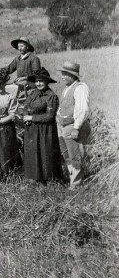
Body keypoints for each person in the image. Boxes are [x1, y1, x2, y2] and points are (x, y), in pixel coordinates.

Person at [22, 68, 64, 184]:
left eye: (41, 81)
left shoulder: (51, 96)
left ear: (47, 82)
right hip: (31, 129)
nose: (38, 83)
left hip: (45, 130)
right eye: (36, 81)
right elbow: (25, 107)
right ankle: (34, 178)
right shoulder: (32, 94)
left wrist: (32, 118)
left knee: (45, 152)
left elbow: (50, 116)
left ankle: (49, 179)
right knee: (32, 151)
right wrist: (26, 117)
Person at [56, 61, 90, 189]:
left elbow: (82, 110)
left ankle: (76, 184)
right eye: (62, 73)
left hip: (73, 126)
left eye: (65, 74)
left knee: (75, 154)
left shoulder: (80, 88)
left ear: (73, 75)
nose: (63, 76)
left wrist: (76, 128)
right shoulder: (66, 89)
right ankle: (73, 180)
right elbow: (62, 107)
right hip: (63, 126)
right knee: (66, 154)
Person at [0, 36, 41, 104]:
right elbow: (9, 69)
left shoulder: (34, 58)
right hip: (20, 87)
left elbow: (37, 74)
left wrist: (25, 78)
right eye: (18, 47)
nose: (19, 48)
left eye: (21, 46)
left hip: (31, 88)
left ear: (27, 46)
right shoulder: (18, 59)